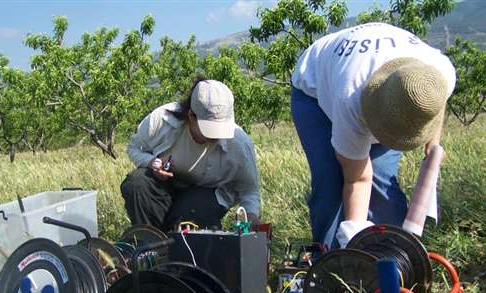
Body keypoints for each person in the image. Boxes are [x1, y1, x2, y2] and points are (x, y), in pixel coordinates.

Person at [290, 23, 456, 249]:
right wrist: (353, 237)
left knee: (382, 180)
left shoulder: (439, 72)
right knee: (329, 182)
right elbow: (357, 179)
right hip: (314, 92)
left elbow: (433, 100)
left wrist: (432, 144)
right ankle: (331, 265)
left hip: (377, 86)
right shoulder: (349, 96)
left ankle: (394, 258)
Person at [121, 77, 260, 232]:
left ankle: (181, 246)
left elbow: (249, 189)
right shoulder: (162, 120)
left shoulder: (240, 144)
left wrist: (251, 215)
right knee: (137, 184)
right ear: (191, 116)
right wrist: (152, 162)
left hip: (206, 194)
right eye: (210, 130)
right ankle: (149, 241)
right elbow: (133, 148)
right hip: (164, 188)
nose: (215, 137)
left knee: (188, 215)